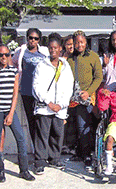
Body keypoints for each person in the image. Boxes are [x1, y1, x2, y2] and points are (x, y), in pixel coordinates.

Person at [0, 44, 35, 182]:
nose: (4, 57)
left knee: (21, 138)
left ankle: (24, 170)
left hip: (10, 110)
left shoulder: (14, 71)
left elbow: (15, 93)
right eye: (1, 55)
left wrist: (11, 113)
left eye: (6, 54)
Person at [32, 33, 74, 175]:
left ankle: (54, 158)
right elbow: (36, 86)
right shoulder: (41, 65)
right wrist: (48, 102)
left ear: (60, 49)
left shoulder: (65, 66)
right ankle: (39, 162)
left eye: (56, 48)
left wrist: (61, 104)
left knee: (57, 134)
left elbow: (69, 86)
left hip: (60, 108)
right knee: (42, 135)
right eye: (51, 48)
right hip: (45, 107)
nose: (53, 51)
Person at [67, 30, 103, 169]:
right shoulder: (70, 58)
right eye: (76, 42)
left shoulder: (93, 57)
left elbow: (98, 77)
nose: (79, 45)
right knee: (74, 126)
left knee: (84, 126)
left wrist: (88, 92)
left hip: (86, 97)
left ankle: (87, 154)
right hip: (72, 97)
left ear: (86, 42)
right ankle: (79, 152)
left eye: (81, 42)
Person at [12, 28, 49, 144]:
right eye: (31, 38)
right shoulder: (21, 51)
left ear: (39, 40)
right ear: (27, 38)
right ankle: (35, 149)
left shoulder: (44, 53)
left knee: (42, 121)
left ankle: (43, 148)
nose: (33, 40)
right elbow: (12, 62)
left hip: (41, 92)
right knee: (31, 121)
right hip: (27, 91)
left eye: (36, 38)